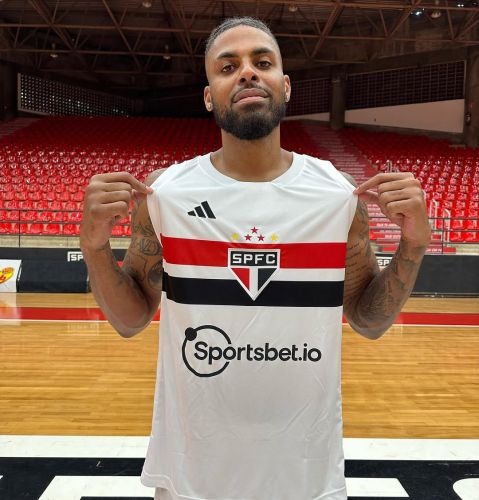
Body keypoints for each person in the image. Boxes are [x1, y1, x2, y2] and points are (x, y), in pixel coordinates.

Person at [80, 16, 431, 500]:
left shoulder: (336, 193)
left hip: (304, 475)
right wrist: (94, 246)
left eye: (262, 62)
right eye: (228, 67)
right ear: (209, 97)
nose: (247, 72)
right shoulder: (166, 193)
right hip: (190, 475)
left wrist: (413, 244)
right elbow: (130, 319)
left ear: (284, 86)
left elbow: (368, 321)